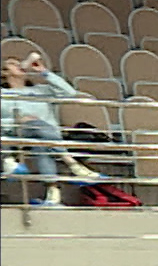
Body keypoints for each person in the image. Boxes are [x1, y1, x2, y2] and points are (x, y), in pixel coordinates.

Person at [3, 53, 98, 205]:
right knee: (37, 126)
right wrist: (17, 120)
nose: (19, 64)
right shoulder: (3, 95)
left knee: (41, 144)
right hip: (17, 133)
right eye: (13, 64)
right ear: (5, 73)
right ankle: (73, 164)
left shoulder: (41, 90)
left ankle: (53, 195)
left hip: (46, 137)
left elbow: (70, 93)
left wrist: (44, 71)